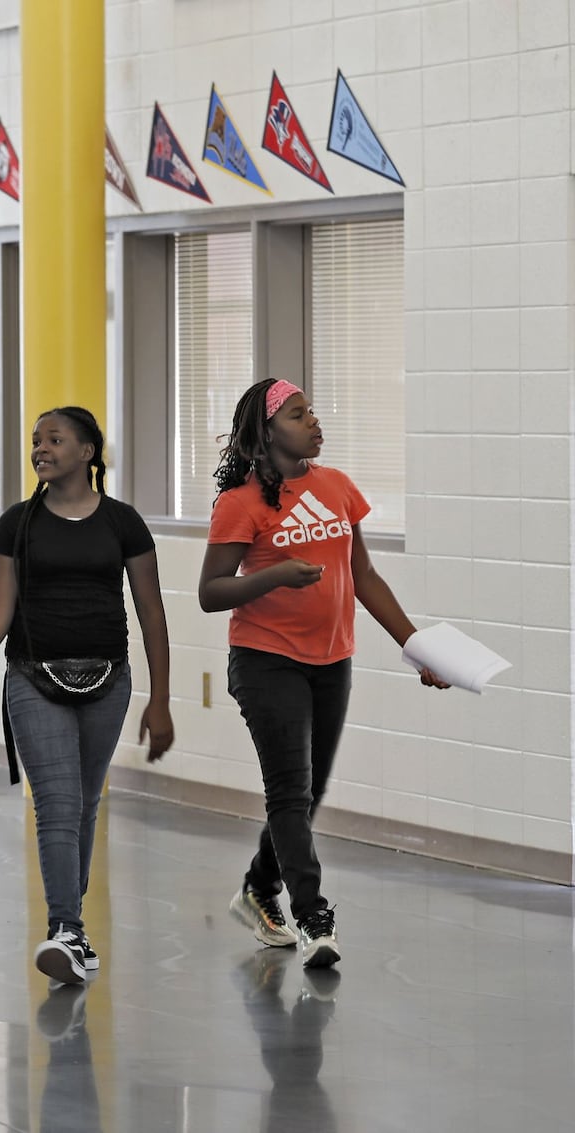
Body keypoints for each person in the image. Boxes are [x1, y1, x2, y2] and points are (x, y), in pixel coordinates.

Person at [199, 379, 448, 970]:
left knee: (308, 793)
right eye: (298, 414)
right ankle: (313, 915)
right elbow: (212, 592)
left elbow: (362, 575)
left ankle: (259, 889)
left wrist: (416, 646)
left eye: (312, 412)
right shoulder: (240, 502)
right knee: (290, 790)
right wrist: (275, 574)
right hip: (265, 660)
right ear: (266, 432)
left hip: (332, 659)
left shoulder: (335, 487)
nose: (314, 422)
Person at [0, 407, 173, 986]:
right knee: (56, 803)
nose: (40, 448)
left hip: (108, 681)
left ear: (88, 451)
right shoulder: (17, 524)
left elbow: (152, 612)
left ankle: (73, 922)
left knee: (85, 803)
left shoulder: (123, 523)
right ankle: (66, 927)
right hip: (33, 679)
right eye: (36, 440)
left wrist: (160, 700)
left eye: (54, 439)